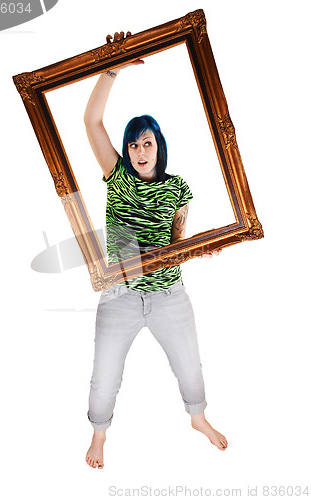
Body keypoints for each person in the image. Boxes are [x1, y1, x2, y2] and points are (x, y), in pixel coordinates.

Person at [84, 31, 228, 469]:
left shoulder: (178, 188)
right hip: (120, 295)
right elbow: (91, 122)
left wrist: (200, 249)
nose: (140, 149)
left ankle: (198, 419)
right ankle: (98, 434)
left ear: (158, 146)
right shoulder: (117, 176)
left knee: (191, 368)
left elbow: (177, 244)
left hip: (169, 295)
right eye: (134, 143)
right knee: (104, 378)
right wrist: (112, 68)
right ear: (126, 151)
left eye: (147, 141)